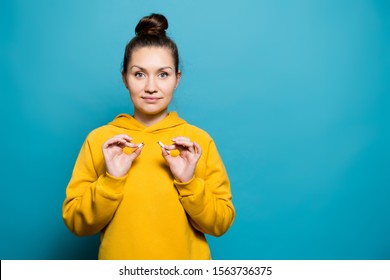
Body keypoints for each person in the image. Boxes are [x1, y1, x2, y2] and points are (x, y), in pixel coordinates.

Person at [62, 13, 235, 260]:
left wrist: (189, 183)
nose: (151, 87)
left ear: (177, 78)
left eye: (163, 74)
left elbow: (220, 223)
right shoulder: (100, 140)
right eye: (139, 74)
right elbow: (77, 224)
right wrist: (111, 179)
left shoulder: (198, 142)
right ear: (125, 78)